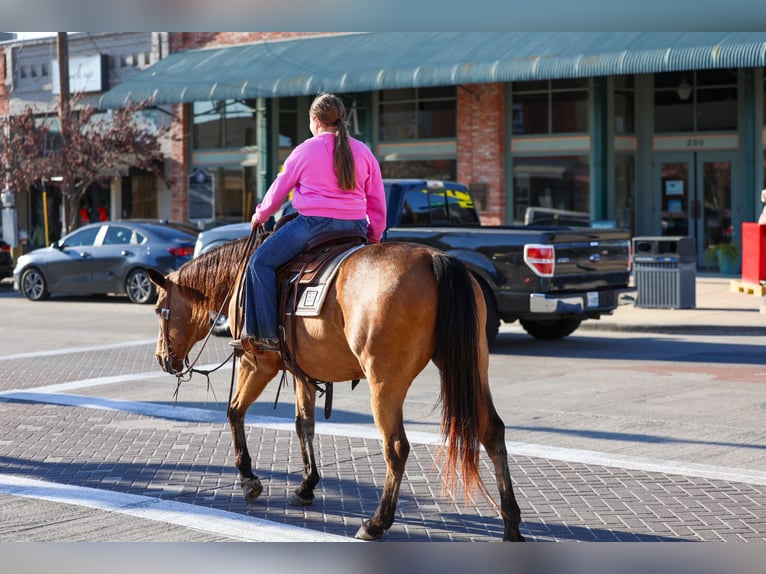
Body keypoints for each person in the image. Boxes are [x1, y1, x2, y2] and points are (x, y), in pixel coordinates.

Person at [231, 93, 387, 354]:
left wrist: (261, 214)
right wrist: (374, 235)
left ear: (315, 120)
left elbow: (279, 189)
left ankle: (266, 336)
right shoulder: (363, 151)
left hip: (313, 226)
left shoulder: (305, 149)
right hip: (356, 228)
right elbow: (377, 199)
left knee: (260, 263)